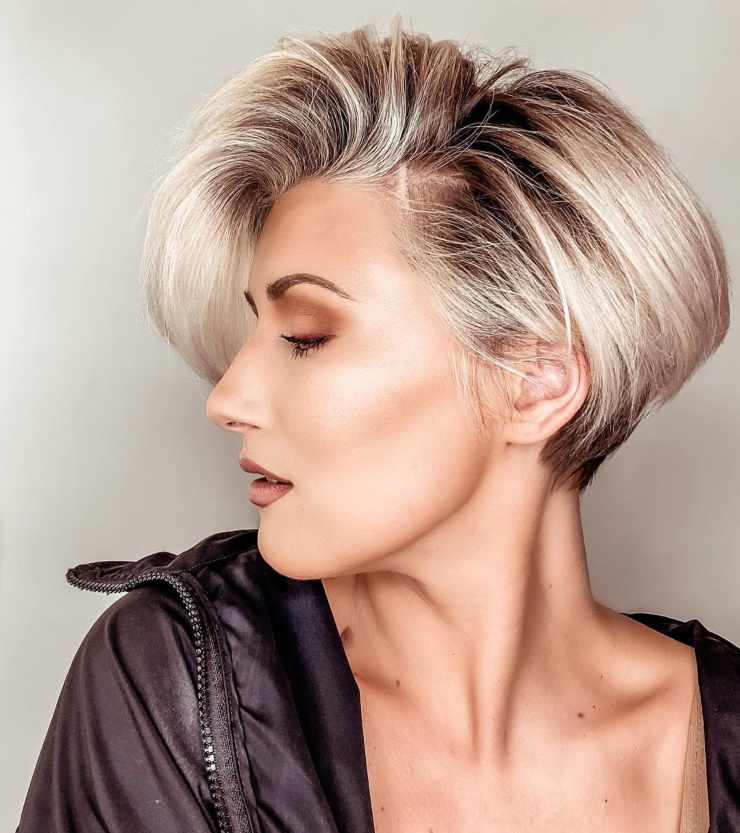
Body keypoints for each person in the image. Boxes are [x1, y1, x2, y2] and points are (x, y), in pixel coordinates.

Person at [16, 16, 736, 833]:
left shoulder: (726, 739)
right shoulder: (177, 683)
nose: (226, 398)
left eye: (305, 336)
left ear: (535, 384)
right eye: (253, 332)